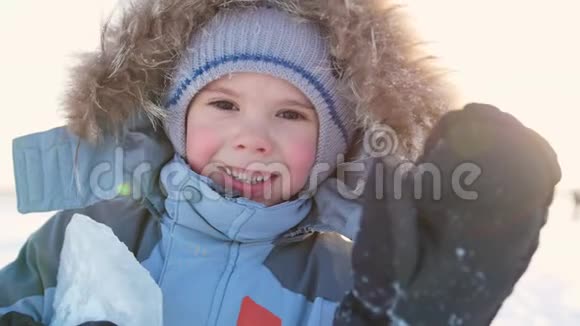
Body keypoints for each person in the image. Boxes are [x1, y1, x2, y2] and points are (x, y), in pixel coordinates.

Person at [0, 1, 560, 325]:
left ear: (332, 151)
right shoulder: (89, 233)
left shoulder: (343, 283)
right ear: (175, 121)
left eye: (291, 115)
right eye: (223, 104)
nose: (252, 138)